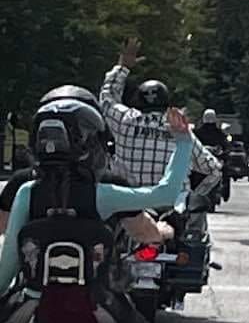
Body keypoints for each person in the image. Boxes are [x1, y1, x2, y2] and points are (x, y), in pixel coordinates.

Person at [0, 97, 193, 323]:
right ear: (91, 145)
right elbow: (164, 195)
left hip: (32, 304)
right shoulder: (103, 193)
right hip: (98, 302)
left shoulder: (27, 193)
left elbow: (7, 268)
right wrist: (183, 142)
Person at [0, 84, 174, 245]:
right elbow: (144, 232)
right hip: (97, 276)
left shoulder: (22, 184)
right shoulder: (111, 185)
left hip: (32, 274)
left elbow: (4, 227)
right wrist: (163, 231)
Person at [99, 38, 222, 198]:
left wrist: (123, 67)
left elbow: (107, 98)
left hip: (128, 207)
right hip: (170, 211)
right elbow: (213, 169)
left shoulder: (125, 121)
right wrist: (194, 198)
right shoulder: (179, 129)